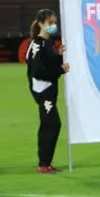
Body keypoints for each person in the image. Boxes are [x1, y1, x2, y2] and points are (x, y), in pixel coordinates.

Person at [26, 9, 69, 173]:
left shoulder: (48, 42)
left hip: (49, 89)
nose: (53, 25)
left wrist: (58, 56)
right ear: (41, 24)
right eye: (50, 23)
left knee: (48, 124)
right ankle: (44, 163)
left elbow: (48, 63)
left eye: (54, 22)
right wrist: (60, 70)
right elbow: (37, 71)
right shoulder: (37, 45)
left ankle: (45, 163)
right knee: (52, 124)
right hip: (42, 90)